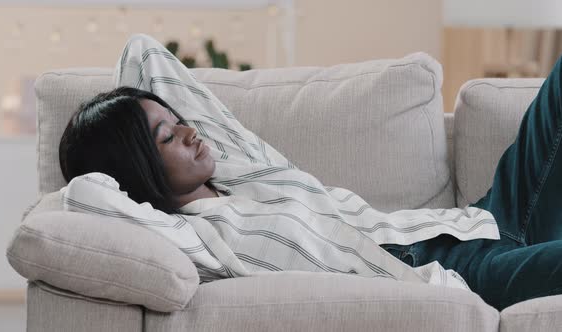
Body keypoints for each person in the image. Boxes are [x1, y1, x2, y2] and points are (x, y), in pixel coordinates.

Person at [59, 34, 562, 310]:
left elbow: (143, 51)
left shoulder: (247, 170)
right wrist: (114, 150)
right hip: (456, 273)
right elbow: (86, 195)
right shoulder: (195, 235)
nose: (191, 132)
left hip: (480, 224)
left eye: (179, 121)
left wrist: (139, 117)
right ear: (137, 170)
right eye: (167, 138)